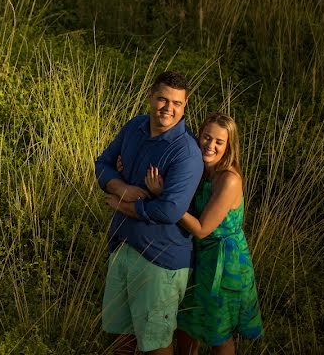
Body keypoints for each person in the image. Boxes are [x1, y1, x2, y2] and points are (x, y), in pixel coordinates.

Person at [95, 71, 203, 354]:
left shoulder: (186, 153)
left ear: (185, 104)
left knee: (156, 345)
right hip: (123, 246)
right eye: (162, 99)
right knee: (122, 337)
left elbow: (170, 210)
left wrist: (126, 207)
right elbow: (103, 163)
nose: (168, 108)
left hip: (160, 260)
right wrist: (120, 186)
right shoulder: (135, 127)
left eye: (177, 103)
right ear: (150, 97)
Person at [145, 112, 263, 354]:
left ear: (229, 146)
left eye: (219, 142)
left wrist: (166, 197)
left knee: (218, 331)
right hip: (197, 256)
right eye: (206, 138)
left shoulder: (229, 179)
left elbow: (201, 229)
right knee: (187, 322)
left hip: (223, 261)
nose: (210, 146)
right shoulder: (200, 169)